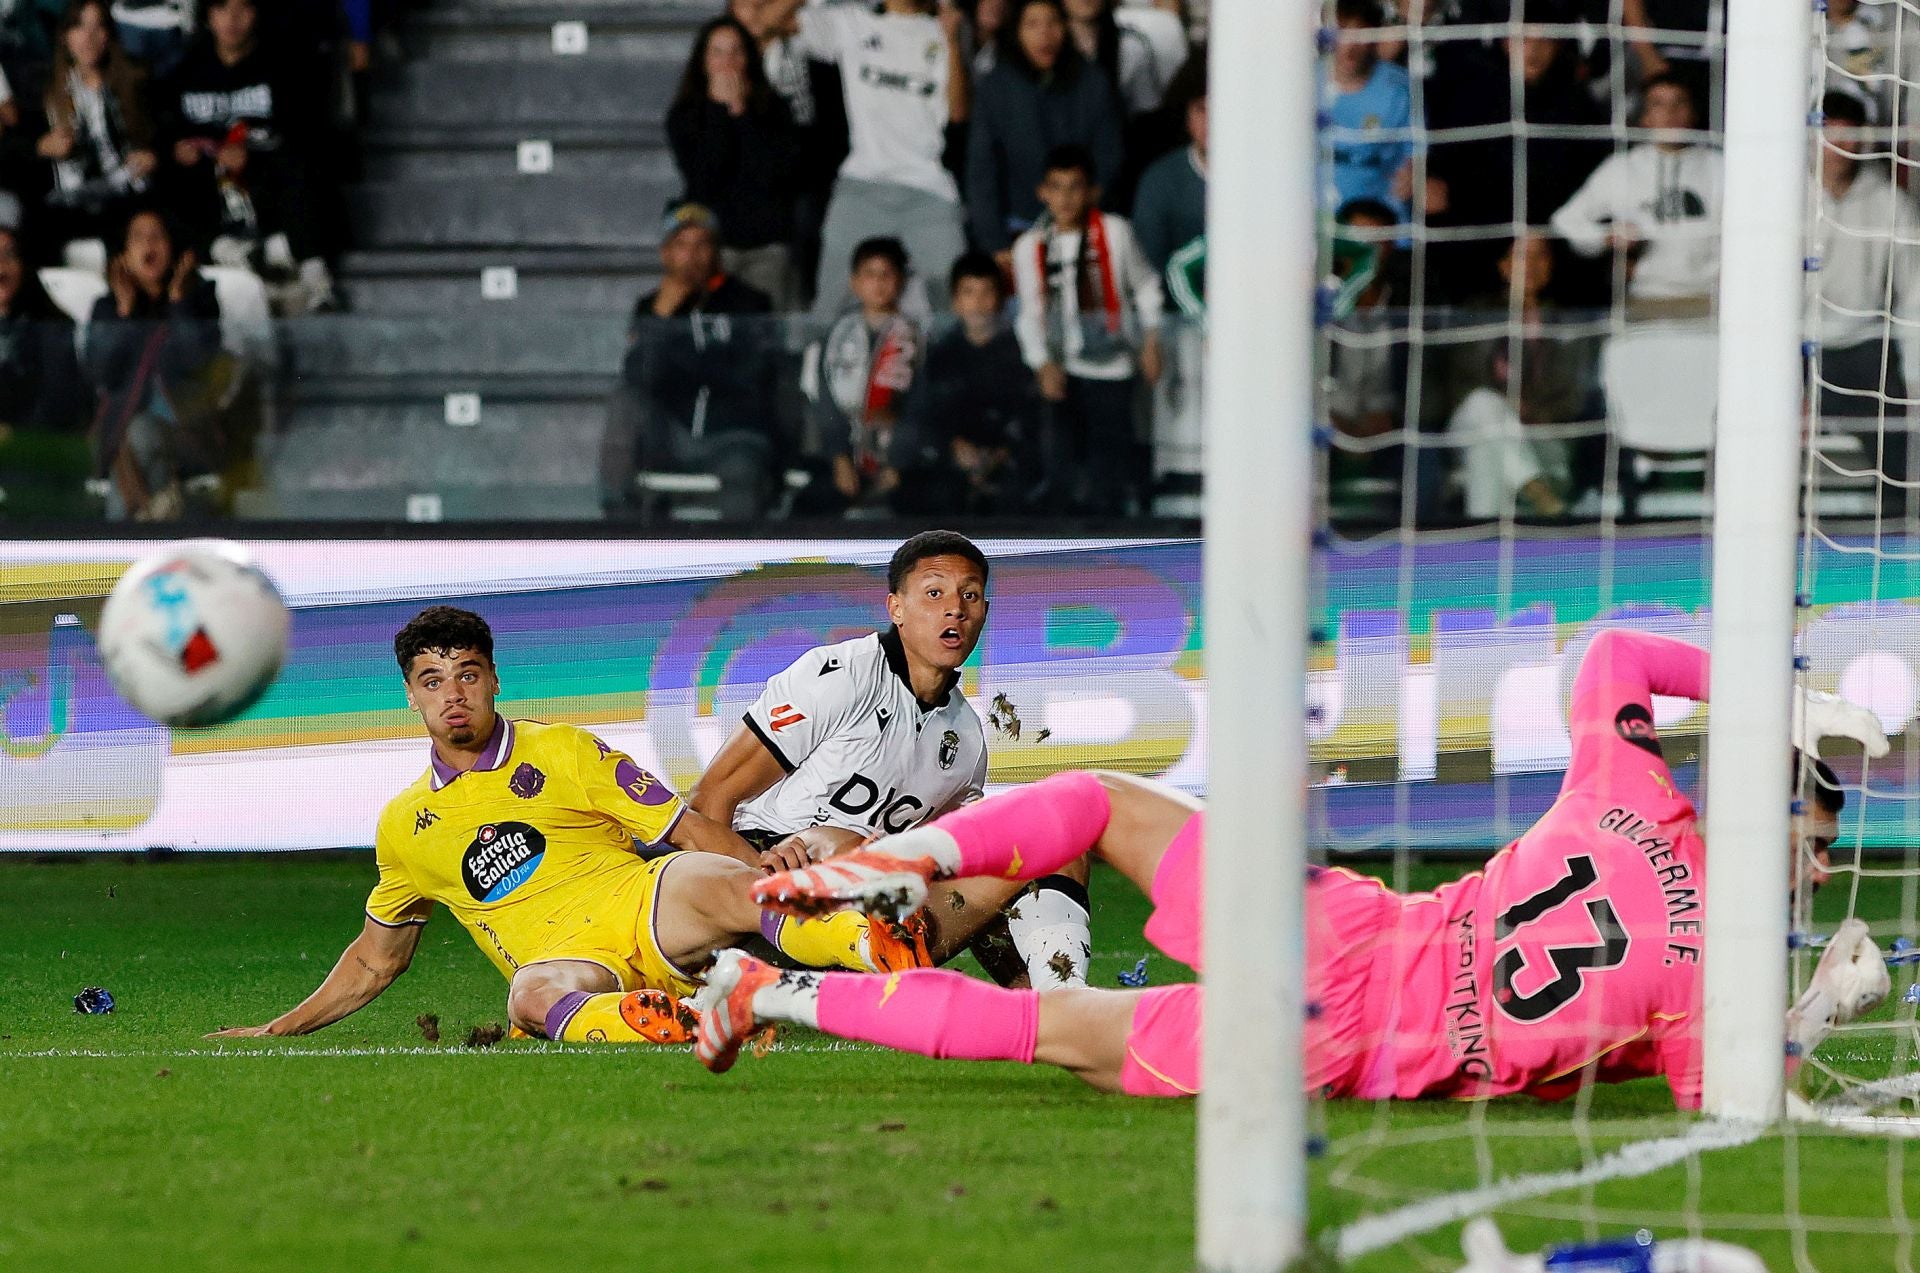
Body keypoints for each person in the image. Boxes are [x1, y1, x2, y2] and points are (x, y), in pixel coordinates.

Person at [696, 631, 1896, 1104]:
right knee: (1049, 1030)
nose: (1819, 869)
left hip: (1339, 928)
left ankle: (887, 866)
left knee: (1101, 805)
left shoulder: (1626, 789)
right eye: (1817, 847)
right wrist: (1821, 1003)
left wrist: (1777, 690)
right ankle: (769, 991)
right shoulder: (1702, 980)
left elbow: (1613, 654)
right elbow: (1733, 1095)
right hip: (1342, 1050)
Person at [205, 605, 973, 1047]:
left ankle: (866, 941)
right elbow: (377, 960)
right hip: (566, 957)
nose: (454, 696)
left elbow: (686, 827)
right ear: (411, 695)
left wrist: (777, 877)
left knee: (719, 881)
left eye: (467, 674)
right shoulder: (406, 826)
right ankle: (668, 1022)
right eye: (433, 682)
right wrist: (279, 1028)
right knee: (529, 999)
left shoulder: (565, 750)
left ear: (494, 678)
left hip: (643, 903)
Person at [689, 531, 1096, 990]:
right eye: (934, 592)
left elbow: (968, 878)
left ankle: (1058, 998)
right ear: (896, 608)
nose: (955, 609)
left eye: (971, 595)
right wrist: (743, 897)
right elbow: (710, 800)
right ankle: (727, 978)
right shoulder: (839, 676)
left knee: (1052, 838)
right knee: (842, 842)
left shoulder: (965, 738)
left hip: (875, 921)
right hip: (771, 897)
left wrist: (1018, 976)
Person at [752, 0, 969, 318]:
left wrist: (951, 40)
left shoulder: (944, 29)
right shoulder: (853, 23)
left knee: (953, 308)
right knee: (830, 305)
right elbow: (764, 22)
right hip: (862, 184)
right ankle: (816, 367)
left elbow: (959, 113)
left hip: (929, 189)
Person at [598, 203, 778, 522]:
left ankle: (738, 567)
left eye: (701, 244)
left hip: (731, 436)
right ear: (665, 254)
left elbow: (751, 378)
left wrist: (688, 360)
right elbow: (638, 377)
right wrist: (660, 319)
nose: (691, 255)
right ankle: (617, 534)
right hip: (671, 433)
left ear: (716, 252)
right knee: (625, 404)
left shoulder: (749, 303)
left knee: (745, 473)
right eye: (681, 245)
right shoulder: (651, 307)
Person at [155, 0, 335, 312]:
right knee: (163, 178)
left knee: (298, 167)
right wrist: (178, 149)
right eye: (222, 8)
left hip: (267, 181)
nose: (232, 19)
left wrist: (250, 150)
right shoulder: (184, 72)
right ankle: (226, 249)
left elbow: (304, 134)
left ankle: (312, 271)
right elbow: (166, 133)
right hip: (207, 189)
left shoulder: (283, 67)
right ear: (208, 16)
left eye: (243, 9)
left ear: (257, 13)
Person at [1012, 144, 1162, 515]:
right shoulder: (1030, 246)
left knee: (1108, 468)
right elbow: (1030, 312)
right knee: (1061, 465)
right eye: (1056, 187)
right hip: (1063, 366)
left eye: (1075, 186)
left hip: (1114, 364)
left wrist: (1152, 340)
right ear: (1042, 192)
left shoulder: (1115, 233)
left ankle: (1109, 550)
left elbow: (1145, 285)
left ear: (1092, 191)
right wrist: (1042, 362)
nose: (1064, 198)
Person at [82, 206, 233, 520]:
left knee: (136, 437)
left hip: (190, 434)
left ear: (172, 247)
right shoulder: (108, 307)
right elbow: (101, 373)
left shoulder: (199, 299)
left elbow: (197, 361)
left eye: (157, 236)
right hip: (130, 441)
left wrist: (178, 302)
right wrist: (124, 313)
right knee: (139, 444)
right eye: (138, 238)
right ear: (123, 254)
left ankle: (118, 552)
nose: (148, 245)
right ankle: (152, 523)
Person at [1436, 233, 1599, 520]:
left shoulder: (1570, 323)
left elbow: (1576, 394)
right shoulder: (1475, 313)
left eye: (1541, 256)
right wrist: (1506, 409)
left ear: (1551, 266)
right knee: (1484, 404)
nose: (1532, 265)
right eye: (1522, 256)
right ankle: (1540, 495)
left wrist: (1532, 413)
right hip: (1471, 424)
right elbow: (1458, 382)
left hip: (1541, 437)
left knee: (1486, 456)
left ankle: (1484, 550)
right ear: (1504, 266)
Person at [967, 0, 1124, 271]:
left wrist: (1078, 209)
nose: (1044, 34)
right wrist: (995, 243)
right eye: (1032, 24)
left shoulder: (1093, 81)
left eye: (1053, 22)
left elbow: (1110, 157)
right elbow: (982, 171)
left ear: (1066, 28)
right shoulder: (995, 87)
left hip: (1082, 224)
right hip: (1018, 227)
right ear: (1016, 31)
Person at [1549, 74, 1722, 320]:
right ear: (1645, 118)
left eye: (1679, 103)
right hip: (1645, 298)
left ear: (1693, 113)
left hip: (1709, 300)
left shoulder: (1721, 167)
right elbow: (1565, 221)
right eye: (1658, 104)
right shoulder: (1622, 168)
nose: (1670, 113)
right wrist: (1606, 237)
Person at [666, 15, 803, 309]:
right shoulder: (684, 117)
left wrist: (741, 115)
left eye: (736, 52)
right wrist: (719, 113)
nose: (727, 62)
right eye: (717, 52)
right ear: (703, 62)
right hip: (713, 251)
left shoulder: (775, 110)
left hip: (768, 247)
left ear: (749, 59)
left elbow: (773, 173)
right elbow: (704, 178)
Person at [911, 252, 1038, 513]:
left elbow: (1031, 416)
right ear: (955, 301)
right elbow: (926, 414)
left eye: (986, 293)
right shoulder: (940, 356)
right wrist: (953, 446)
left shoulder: (1023, 353)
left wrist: (1002, 454)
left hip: (1010, 464)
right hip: (951, 464)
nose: (978, 303)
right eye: (969, 293)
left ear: (1001, 299)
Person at [804, 236, 923, 513]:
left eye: (886, 274)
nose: (878, 283)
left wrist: (898, 463)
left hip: (901, 462)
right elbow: (823, 402)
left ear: (901, 281)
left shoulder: (917, 337)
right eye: (869, 274)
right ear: (854, 282)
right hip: (843, 459)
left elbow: (920, 406)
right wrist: (839, 459)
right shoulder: (833, 336)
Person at [39, 0, 154, 260]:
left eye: (98, 27)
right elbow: (20, 146)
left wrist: (154, 155)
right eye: (80, 27)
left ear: (109, 35)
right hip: (70, 203)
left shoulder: (136, 82)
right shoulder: (44, 88)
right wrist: (41, 145)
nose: (89, 37)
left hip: (128, 195)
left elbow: (162, 136)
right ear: (65, 36)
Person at [1322, 0, 1420, 225]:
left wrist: (1413, 178)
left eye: (1361, 35)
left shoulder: (1400, 91)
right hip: (1312, 228)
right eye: (1341, 32)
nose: (1349, 46)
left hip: (1380, 227)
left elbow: (1415, 161)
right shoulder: (1302, 84)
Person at [1129, 75, 1203, 275]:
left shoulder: (1262, 179)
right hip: (1174, 304)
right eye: (1201, 109)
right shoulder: (1158, 181)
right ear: (1186, 118)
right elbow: (1149, 269)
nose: (1211, 121)